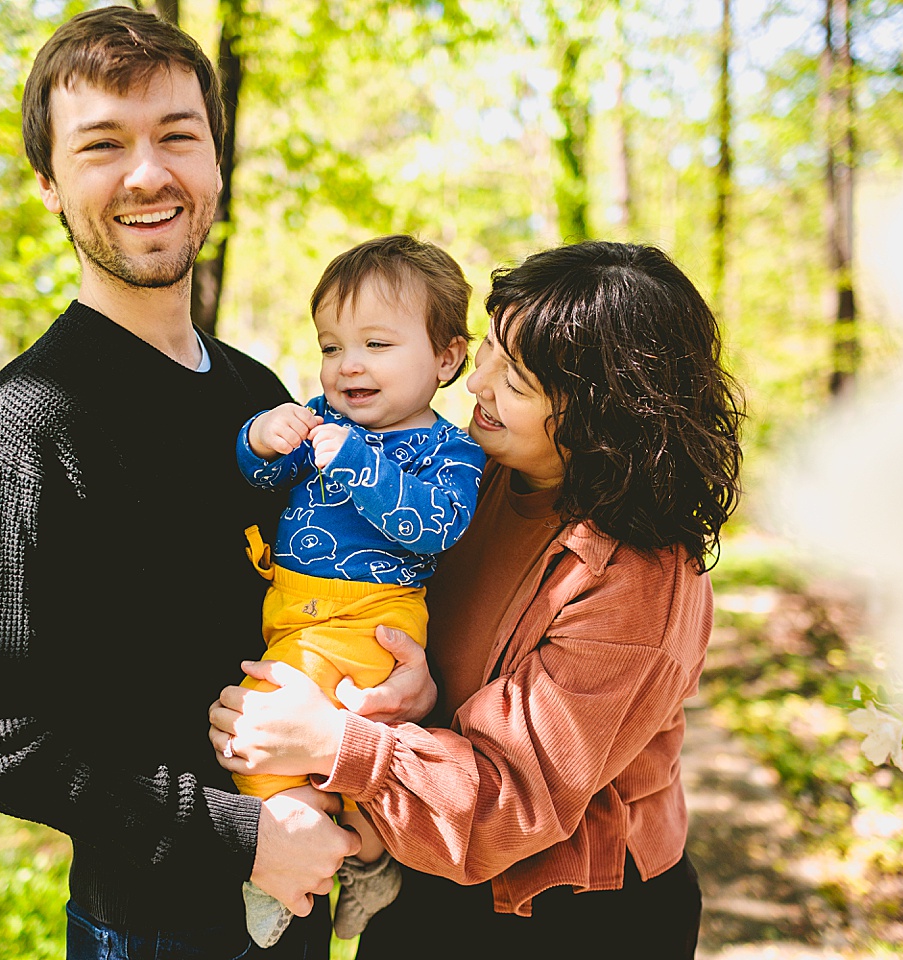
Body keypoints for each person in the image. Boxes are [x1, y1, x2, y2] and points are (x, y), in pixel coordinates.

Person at [0, 8, 360, 958]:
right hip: (158, 928)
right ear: (48, 183)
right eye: (102, 146)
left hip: (296, 897)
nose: (148, 173)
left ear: (216, 162)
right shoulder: (31, 426)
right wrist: (246, 837)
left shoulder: (258, 392)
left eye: (178, 135)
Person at [210, 240, 745, 958]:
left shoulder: (638, 578)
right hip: (423, 850)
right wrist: (414, 694)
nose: (475, 385)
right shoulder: (481, 473)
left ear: (599, 418)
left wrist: (334, 741)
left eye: (515, 381)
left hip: (563, 917)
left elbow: (515, 799)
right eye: (489, 348)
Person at [232, 235, 486, 946]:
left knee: (266, 728)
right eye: (331, 346)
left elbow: (434, 525)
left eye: (376, 343)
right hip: (293, 613)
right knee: (294, 740)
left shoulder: (450, 451)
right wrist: (262, 437)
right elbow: (260, 483)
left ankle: (283, 867)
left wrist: (359, 465)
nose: (348, 365)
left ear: (445, 357)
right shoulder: (321, 419)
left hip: (372, 621)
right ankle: (366, 859)